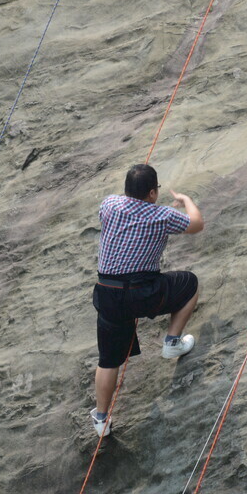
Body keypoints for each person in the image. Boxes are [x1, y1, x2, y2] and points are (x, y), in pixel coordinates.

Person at [90, 163, 204, 437]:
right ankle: (172, 342)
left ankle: (101, 420)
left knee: (108, 360)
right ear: (153, 192)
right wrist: (186, 200)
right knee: (189, 284)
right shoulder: (162, 215)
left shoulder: (109, 204)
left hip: (108, 293)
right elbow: (197, 224)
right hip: (144, 293)